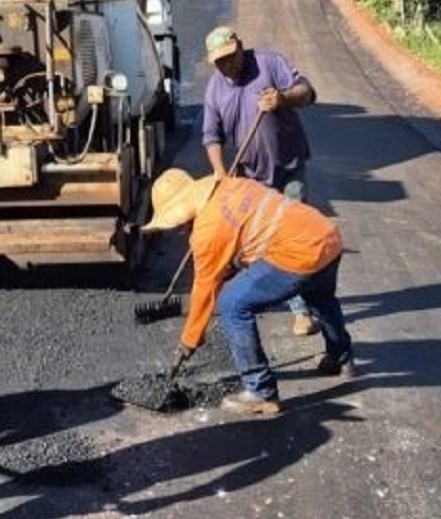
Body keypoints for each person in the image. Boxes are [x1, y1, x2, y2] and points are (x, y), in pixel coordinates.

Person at [144, 169, 356, 416]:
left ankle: (260, 391)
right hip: (325, 235)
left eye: (176, 225)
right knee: (320, 298)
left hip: (298, 252)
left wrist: (189, 339)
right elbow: (247, 232)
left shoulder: (206, 232)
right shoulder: (231, 185)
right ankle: (342, 359)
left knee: (232, 303)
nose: (179, 231)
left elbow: (205, 287)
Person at [201, 25, 320, 337]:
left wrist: (282, 98)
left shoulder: (269, 64)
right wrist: (220, 172)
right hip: (251, 178)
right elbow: (211, 136)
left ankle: (303, 309)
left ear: (240, 47)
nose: (226, 66)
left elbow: (307, 92)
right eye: (219, 61)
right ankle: (284, 297)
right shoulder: (215, 88)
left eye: (230, 57)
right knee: (264, 241)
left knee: (294, 237)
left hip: (289, 167)